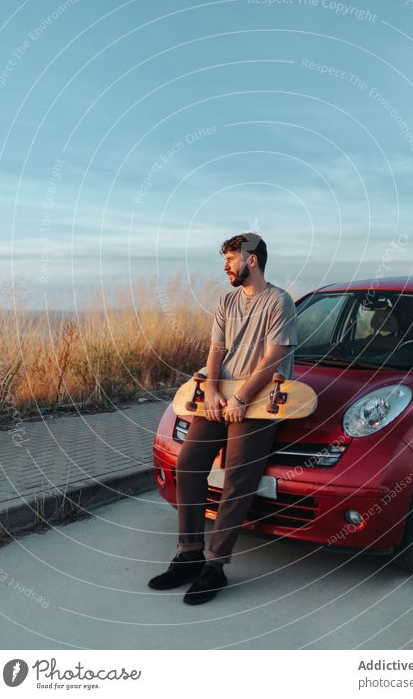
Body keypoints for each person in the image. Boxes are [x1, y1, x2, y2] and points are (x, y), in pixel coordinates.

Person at [148, 233, 298, 604]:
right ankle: (188, 556)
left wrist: (243, 398)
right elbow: (216, 351)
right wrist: (214, 390)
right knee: (189, 462)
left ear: (252, 261)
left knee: (237, 477)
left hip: (262, 400)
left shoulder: (280, 301)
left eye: (232, 258)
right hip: (222, 396)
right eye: (226, 259)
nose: (226, 265)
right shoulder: (226, 301)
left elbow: (273, 359)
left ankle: (214, 567)